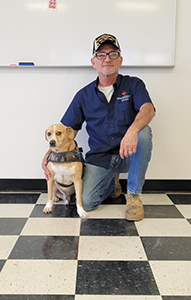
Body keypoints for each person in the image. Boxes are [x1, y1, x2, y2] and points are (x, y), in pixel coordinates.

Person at [42, 33, 155, 221]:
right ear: (93, 62)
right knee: (86, 202)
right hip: (100, 158)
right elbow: (67, 131)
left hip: (128, 153)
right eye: (101, 55)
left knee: (144, 132)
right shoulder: (83, 95)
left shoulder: (134, 84)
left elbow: (148, 110)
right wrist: (51, 153)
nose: (107, 58)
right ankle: (112, 184)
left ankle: (134, 197)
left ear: (120, 60)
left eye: (113, 53)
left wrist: (133, 131)